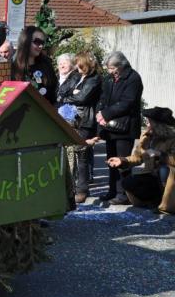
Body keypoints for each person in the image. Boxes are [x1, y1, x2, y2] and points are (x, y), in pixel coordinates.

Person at [96, 51, 143, 204]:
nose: (109, 71)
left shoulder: (133, 78)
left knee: (123, 162)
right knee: (111, 161)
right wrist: (100, 114)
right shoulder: (109, 78)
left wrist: (105, 114)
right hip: (110, 126)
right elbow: (103, 98)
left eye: (112, 68)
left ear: (121, 66)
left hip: (125, 126)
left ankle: (124, 194)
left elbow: (127, 103)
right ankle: (113, 191)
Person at [107, 107, 175, 214]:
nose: (147, 124)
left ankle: (168, 204)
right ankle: (155, 201)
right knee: (128, 182)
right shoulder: (147, 137)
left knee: (164, 170)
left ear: (159, 125)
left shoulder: (172, 138)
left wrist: (160, 155)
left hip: (170, 178)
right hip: (152, 176)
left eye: (149, 122)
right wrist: (123, 160)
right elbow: (137, 157)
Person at [57, 52, 102, 203]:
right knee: (71, 153)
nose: (77, 67)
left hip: (85, 121)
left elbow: (83, 97)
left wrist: (70, 96)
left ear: (86, 65)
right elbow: (61, 91)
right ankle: (71, 187)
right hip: (72, 119)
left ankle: (82, 189)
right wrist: (73, 93)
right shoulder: (77, 76)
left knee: (82, 154)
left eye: (79, 64)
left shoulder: (94, 79)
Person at [11, 26, 58, 105]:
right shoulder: (13, 68)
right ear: (25, 41)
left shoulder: (46, 64)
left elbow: (54, 89)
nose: (41, 46)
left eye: (42, 43)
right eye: (37, 42)